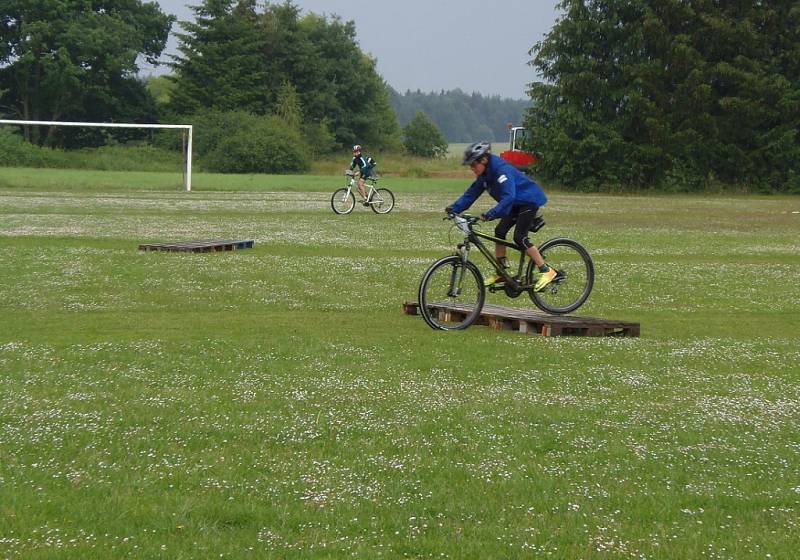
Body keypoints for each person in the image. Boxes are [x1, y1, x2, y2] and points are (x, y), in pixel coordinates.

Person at [445, 141, 557, 291]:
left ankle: (547, 270)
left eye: (473, 165)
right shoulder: (484, 176)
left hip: (528, 201)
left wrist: (491, 214)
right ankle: (502, 272)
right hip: (514, 204)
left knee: (519, 237)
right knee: (500, 232)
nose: (472, 169)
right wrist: (454, 209)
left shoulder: (501, 170)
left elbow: (509, 197)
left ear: (484, 160)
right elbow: (470, 195)